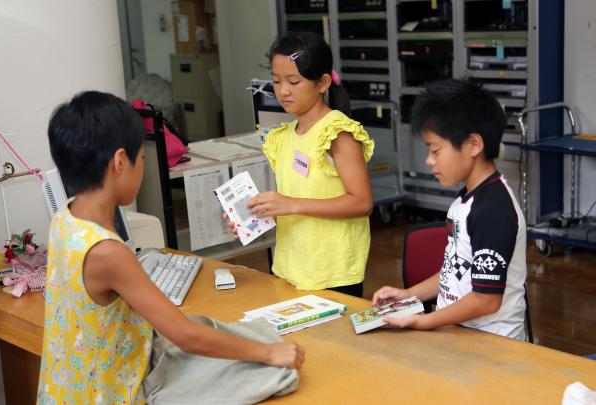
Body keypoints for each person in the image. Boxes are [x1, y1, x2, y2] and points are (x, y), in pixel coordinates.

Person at [38, 91, 304, 404]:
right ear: (121, 161)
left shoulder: (65, 218)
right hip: (103, 394)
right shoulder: (107, 252)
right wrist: (269, 352)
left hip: (67, 390)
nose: (142, 168)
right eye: (142, 160)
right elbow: (185, 335)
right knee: (264, 368)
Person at [372, 79, 527, 340]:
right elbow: (455, 271)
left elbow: (486, 300)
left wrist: (423, 322)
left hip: (492, 344)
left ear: (474, 145)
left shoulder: (493, 210)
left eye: (435, 150)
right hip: (457, 333)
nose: (429, 160)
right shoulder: (466, 200)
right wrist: (408, 295)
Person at [227, 32, 374, 297]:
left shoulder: (338, 133)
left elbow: (362, 202)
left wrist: (291, 204)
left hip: (332, 272)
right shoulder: (281, 138)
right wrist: (249, 216)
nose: (283, 91)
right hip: (290, 267)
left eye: (294, 81)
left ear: (323, 83)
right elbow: (289, 202)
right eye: (276, 81)